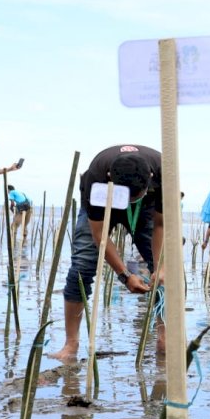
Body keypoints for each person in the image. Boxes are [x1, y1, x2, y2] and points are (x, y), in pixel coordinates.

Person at [50, 144, 165, 360]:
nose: (129, 201)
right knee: (82, 267)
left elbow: (161, 225)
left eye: (135, 195)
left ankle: (165, 340)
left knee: (169, 272)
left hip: (146, 211)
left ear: (150, 177)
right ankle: (71, 344)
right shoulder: (97, 178)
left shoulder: (164, 171)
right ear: (111, 177)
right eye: (126, 196)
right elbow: (100, 236)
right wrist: (124, 275)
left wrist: (161, 266)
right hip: (103, 204)